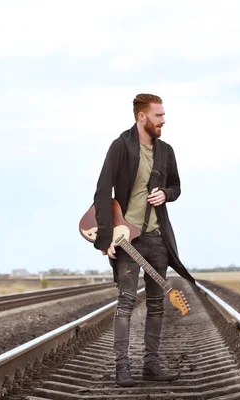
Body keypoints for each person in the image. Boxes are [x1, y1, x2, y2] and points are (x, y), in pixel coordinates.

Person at [92, 93, 197, 387]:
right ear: (142, 116)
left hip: (158, 239)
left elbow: (176, 186)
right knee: (125, 302)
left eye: (163, 115)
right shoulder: (120, 146)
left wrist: (166, 194)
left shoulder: (166, 151)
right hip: (128, 239)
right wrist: (104, 238)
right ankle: (122, 367)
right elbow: (102, 192)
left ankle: (151, 366)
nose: (164, 120)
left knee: (157, 305)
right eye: (158, 115)